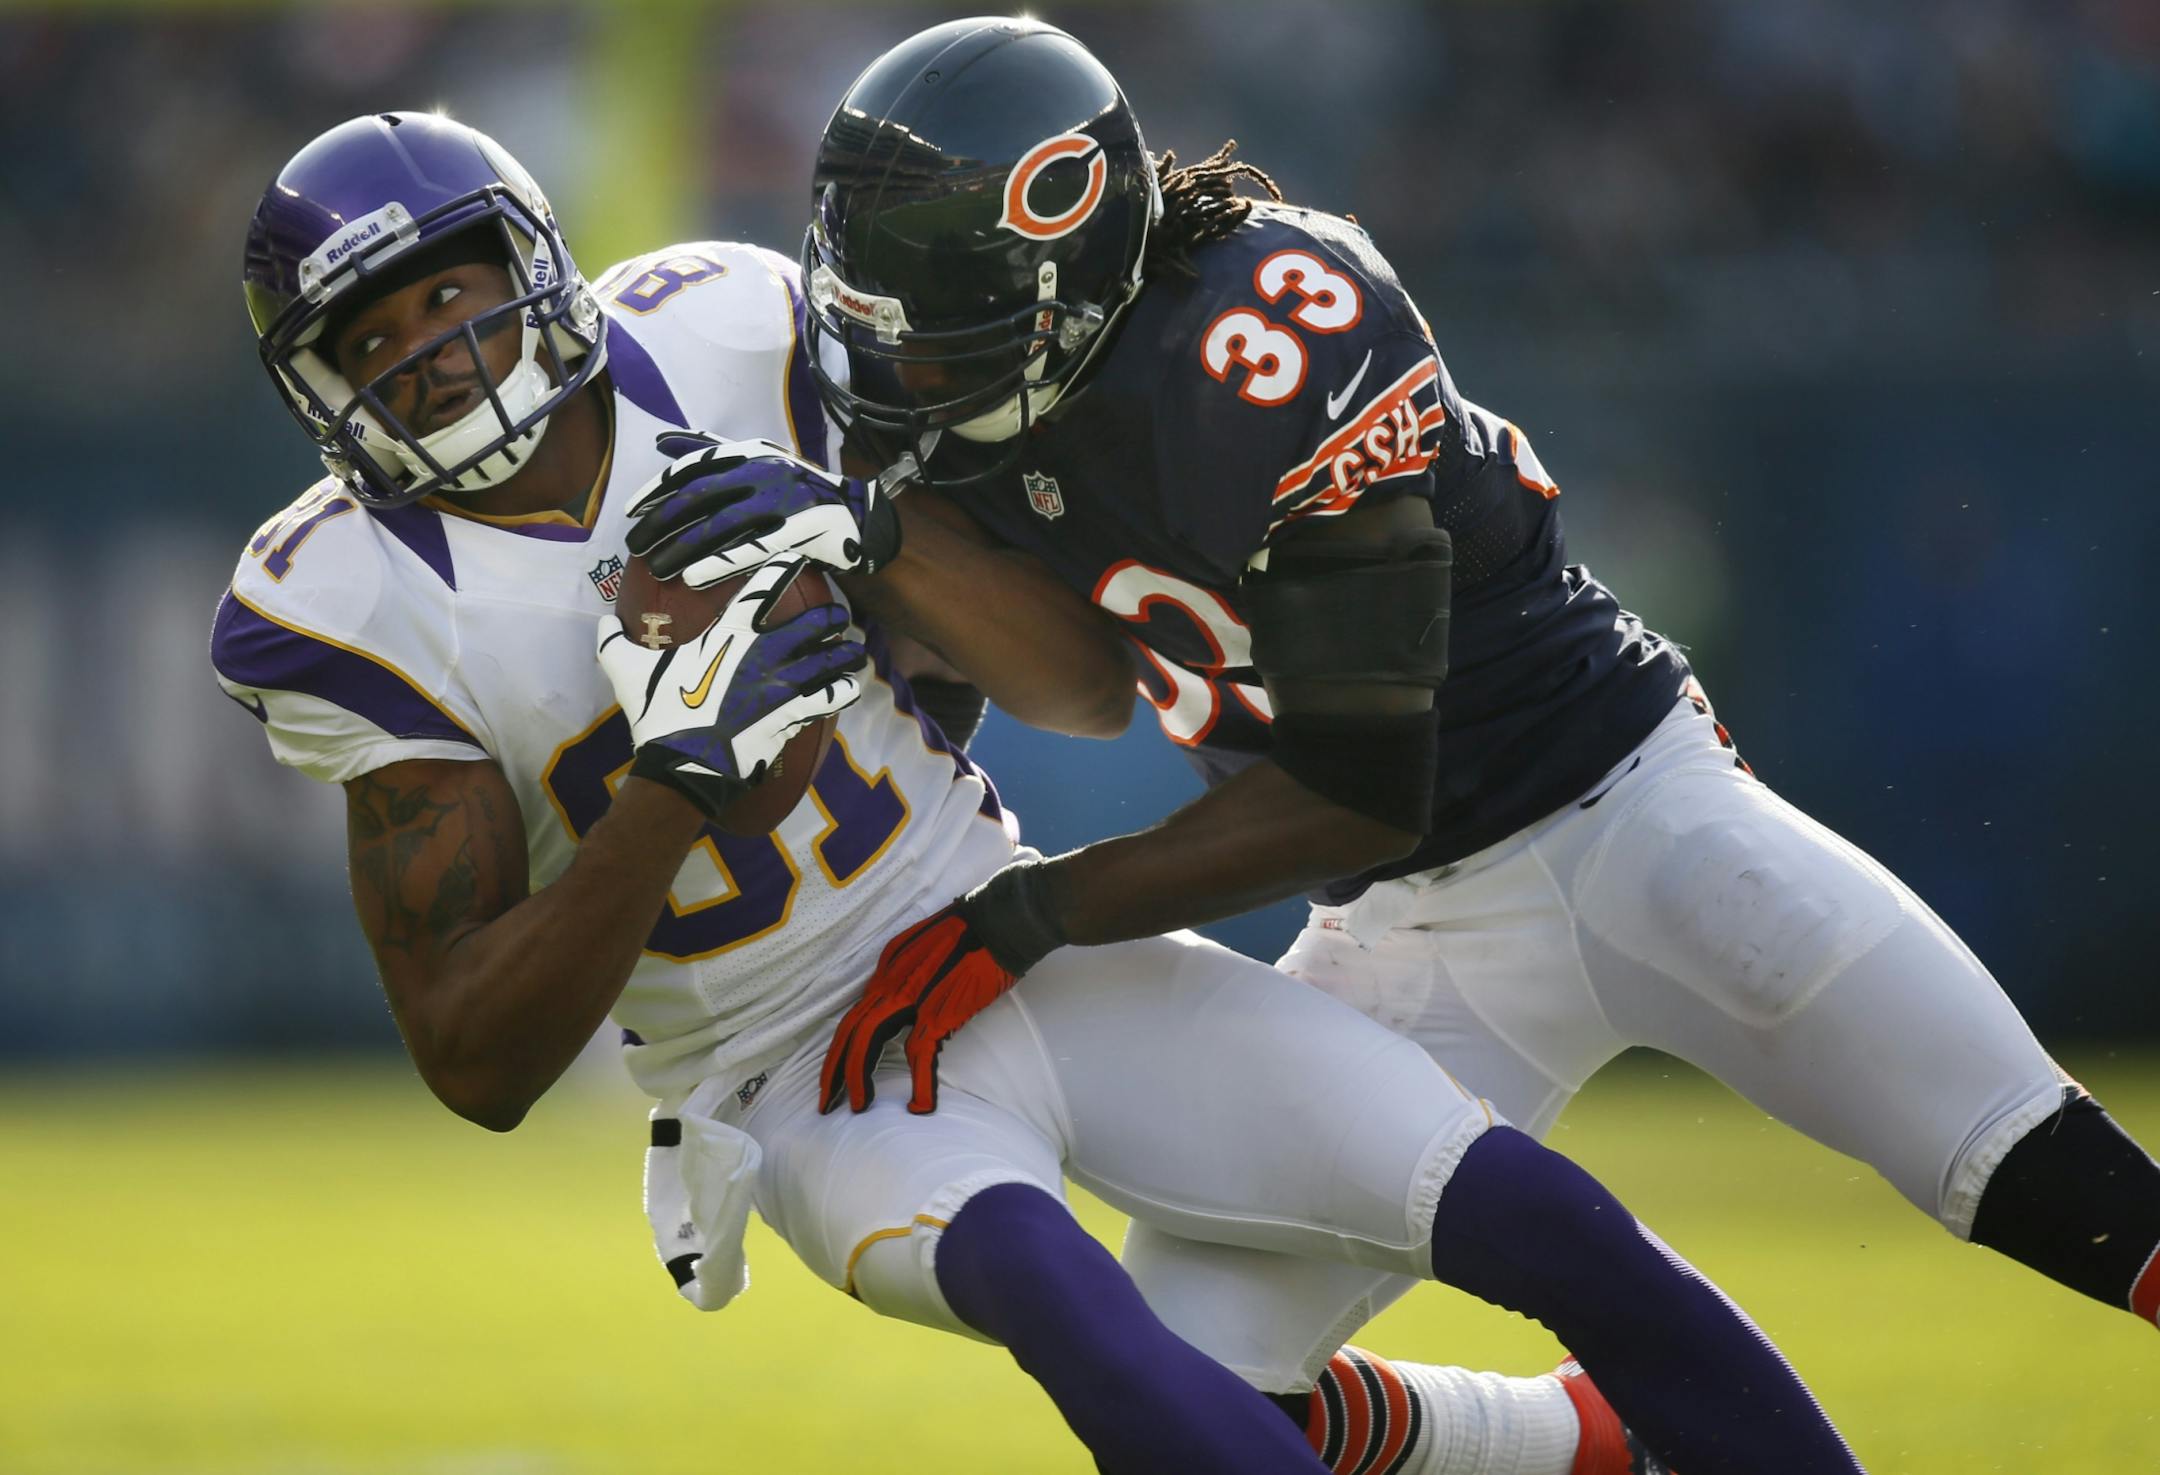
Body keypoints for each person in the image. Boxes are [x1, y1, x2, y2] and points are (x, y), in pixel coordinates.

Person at [212, 112, 1870, 1475]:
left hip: (988, 925)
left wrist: (853, 520)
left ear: (535, 264)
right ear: (318, 387)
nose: (434, 353)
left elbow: (1080, 688)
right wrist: (675, 783)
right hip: (797, 1070)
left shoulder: (723, 329)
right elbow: (481, 1058)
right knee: (1056, 1292)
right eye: (376, 337)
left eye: (453, 293)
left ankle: (1590, 1451)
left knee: (1524, 1211)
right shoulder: (340, 602)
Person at [645, 11, 2160, 1464]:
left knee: (2031, 1171)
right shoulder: (965, 429)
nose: (898, 377)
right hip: (1404, 932)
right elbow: (1077, 694)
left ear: (1066, 266)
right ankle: (1570, 1449)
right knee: (1198, 1399)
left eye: (944, 330)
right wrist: (871, 556)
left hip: (1633, 815)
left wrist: (1032, 911)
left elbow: (1363, 789)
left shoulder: (1265, 333)